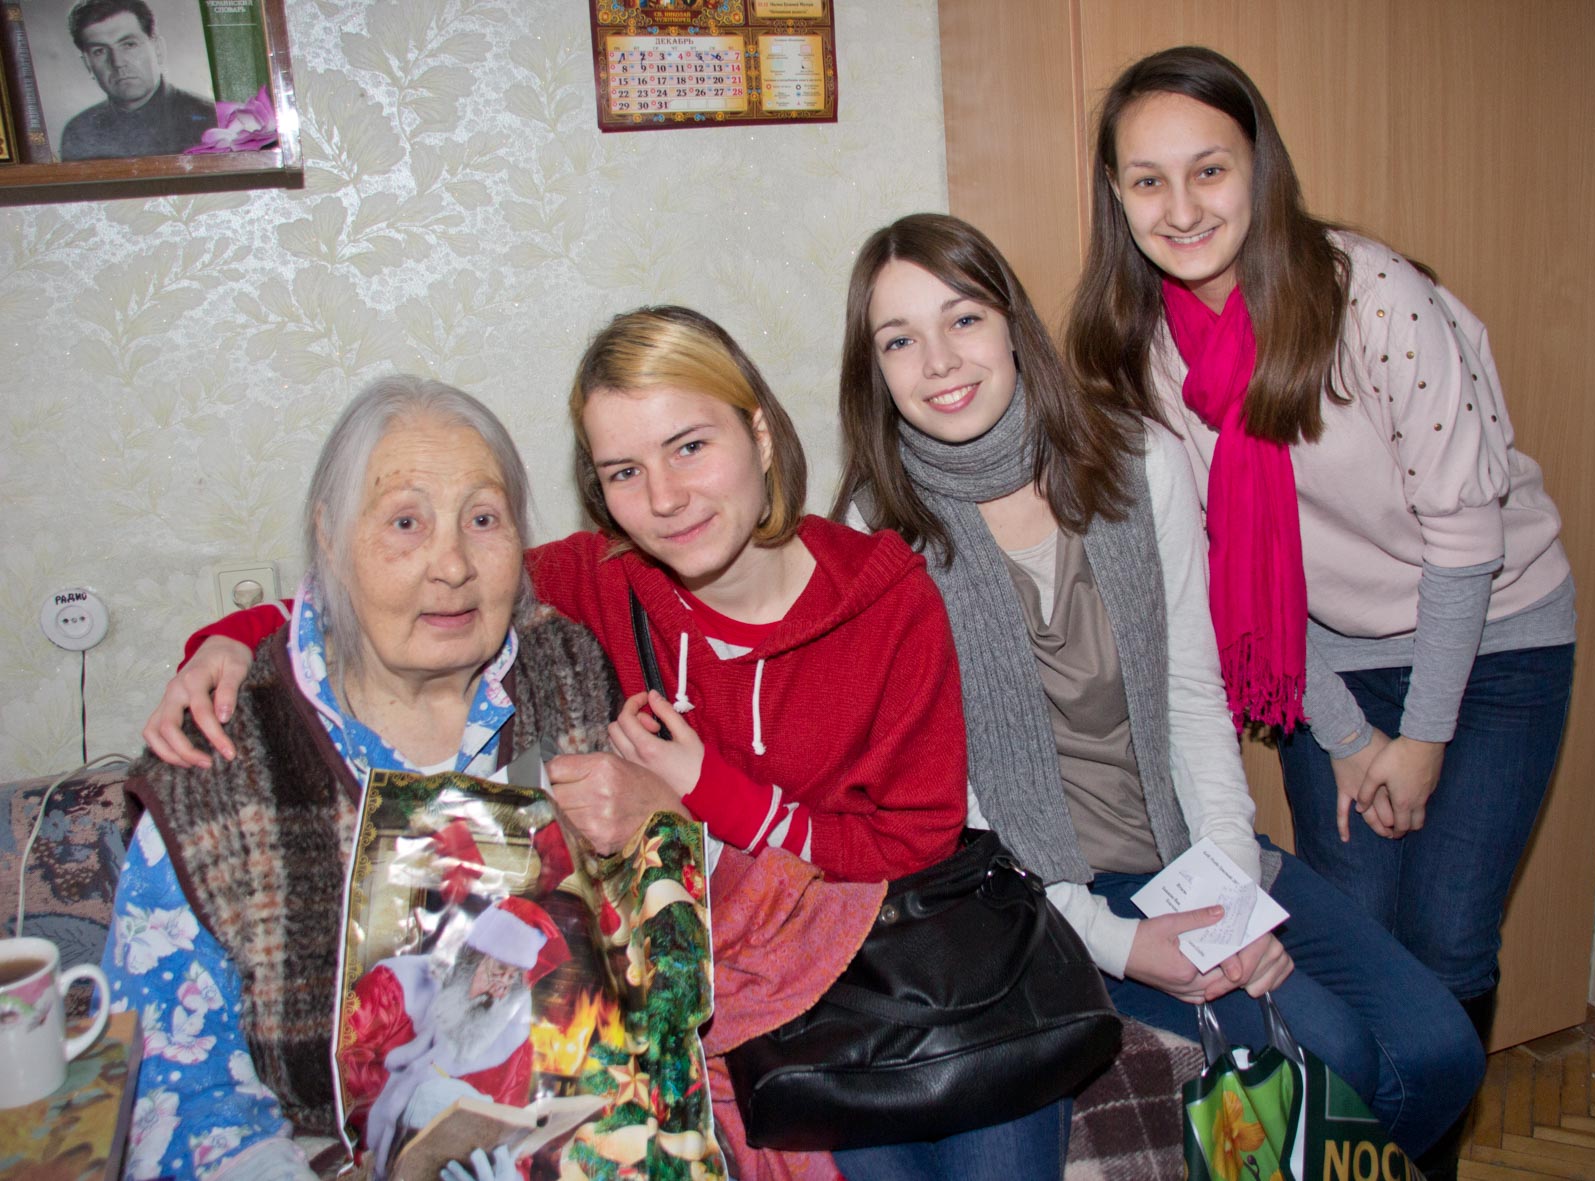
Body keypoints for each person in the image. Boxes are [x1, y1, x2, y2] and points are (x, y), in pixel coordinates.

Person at [150, 309, 1073, 1180]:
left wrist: (707, 794)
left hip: (897, 963)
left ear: (758, 434)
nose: (665, 499)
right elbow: (428, 588)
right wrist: (232, 639)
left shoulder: (883, 598)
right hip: (755, 1012)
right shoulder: (597, 587)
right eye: (624, 471)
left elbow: (917, 837)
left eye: (690, 446)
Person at [835, 212, 1485, 1161]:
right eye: (899, 340)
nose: (939, 360)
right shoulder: (874, 537)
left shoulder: (1133, 459)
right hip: (1040, 898)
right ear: (875, 370)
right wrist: (1122, 943)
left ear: (1012, 323)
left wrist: (1230, 887)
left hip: (1184, 846)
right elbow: (946, 808)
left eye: (963, 318)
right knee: (1335, 1053)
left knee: (1441, 1052)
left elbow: (1191, 694)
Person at [1065, 46, 1577, 1176]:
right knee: (1355, 942)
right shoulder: (1139, 351)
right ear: (1115, 194)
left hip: (1492, 641)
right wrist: (1344, 734)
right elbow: (1220, 572)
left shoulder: (1369, 294)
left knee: (1447, 938)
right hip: (1313, 667)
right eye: (1147, 180)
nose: (1180, 207)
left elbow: (1465, 534)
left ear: (1261, 166)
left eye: (1209, 169)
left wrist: (1422, 737)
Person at [106, 377, 707, 1181]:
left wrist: (668, 819)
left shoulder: (569, 668)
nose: (452, 564)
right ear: (329, 538)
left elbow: (656, 972)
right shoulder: (216, 763)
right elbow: (181, 1099)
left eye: (483, 519)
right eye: (405, 522)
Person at [352, 900, 568, 1176]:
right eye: (498, 971)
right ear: (468, 959)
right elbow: (340, 1080)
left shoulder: (512, 1038)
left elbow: (514, 1142)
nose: (499, 991)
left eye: (512, 979)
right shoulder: (394, 986)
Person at [59, 0, 215, 161]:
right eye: (99, 51)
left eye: (129, 45)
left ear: (158, 49)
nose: (118, 63)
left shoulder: (211, 119)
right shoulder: (78, 132)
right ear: (88, 65)